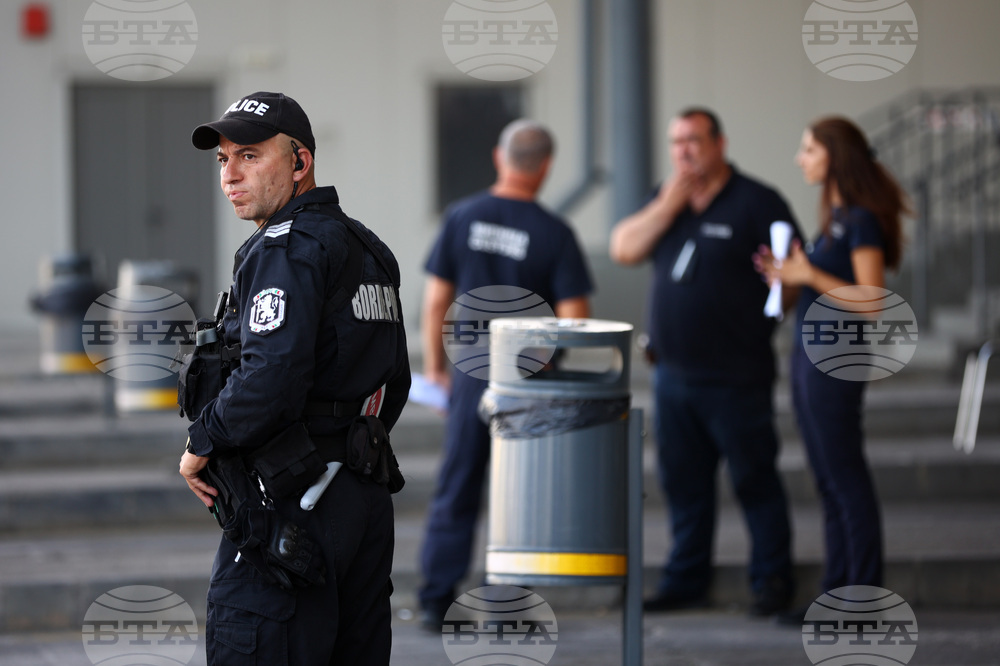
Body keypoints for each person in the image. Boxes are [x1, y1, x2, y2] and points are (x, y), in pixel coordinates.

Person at [178, 91, 410, 665]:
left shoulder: (287, 247)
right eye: (223, 160)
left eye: (250, 156)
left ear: (300, 162)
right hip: (360, 492)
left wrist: (201, 442)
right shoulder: (367, 247)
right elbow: (395, 381)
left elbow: (270, 378)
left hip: (293, 498)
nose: (231, 174)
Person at [609, 108, 798, 616]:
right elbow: (623, 248)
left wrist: (790, 279)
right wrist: (667, 205)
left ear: (720, 143)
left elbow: (793, 276)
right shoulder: (666, 198)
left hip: (737, 375)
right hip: (673, 374)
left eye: (693, 140)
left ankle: (772, 580)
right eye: (676, 142)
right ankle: (685, 579)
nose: (684, 151)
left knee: (754, 479)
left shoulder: (758, 201)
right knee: (683, 484)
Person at [417, 119, 594, 629]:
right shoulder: (555, 233)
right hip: (528, 375)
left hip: (471, 367)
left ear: (500, 156)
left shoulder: (462, 216)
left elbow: (435, 304)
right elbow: (575, 317)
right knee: (523, 491)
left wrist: (436, 368)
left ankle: (435, 598)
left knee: (458, 483)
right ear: (546, 168)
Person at [754, 117, 909, 618]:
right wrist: (789, 277)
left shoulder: (860, 220)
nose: (801, 159)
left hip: (835, 360)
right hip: (808, 355)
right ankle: (836, 589)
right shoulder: (835, 219)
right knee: (826, 478)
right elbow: (826, 287)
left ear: (834, 156)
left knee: (845, 478)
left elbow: (869, 301)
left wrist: (808, 272)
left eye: (808, 150)